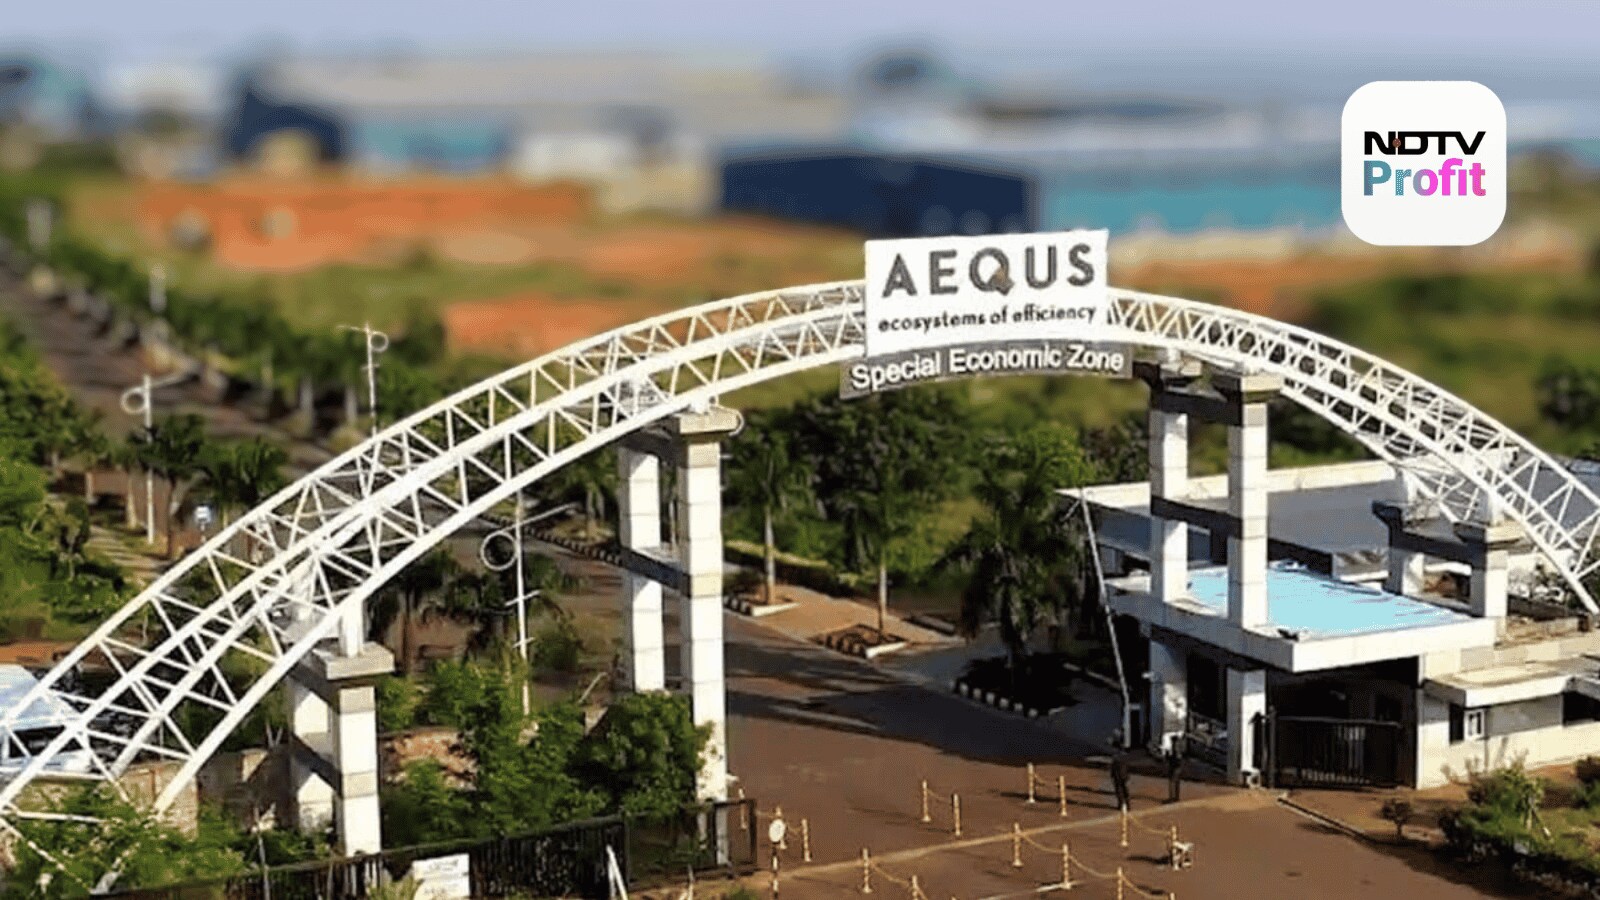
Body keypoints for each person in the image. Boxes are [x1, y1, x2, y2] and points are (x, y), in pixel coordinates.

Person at [1109, 732, 1131, 811]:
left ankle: (1121, 804)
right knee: (1125, 788)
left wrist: (1112, 774)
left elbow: (1114, 765)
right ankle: (1127, 804)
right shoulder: (1125, 753)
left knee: (1119, 788)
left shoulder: (1116, 755)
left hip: (1118, 772)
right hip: (1124, 772)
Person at [1164, 737, 1185, 804]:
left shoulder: (1173, 744)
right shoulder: (1180, 742)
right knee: (1176, 780)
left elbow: (1170, 754)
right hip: (1178, 761)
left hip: (1174, 762)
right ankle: (1176, 797)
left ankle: (1172, 798)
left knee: (1172, 780)